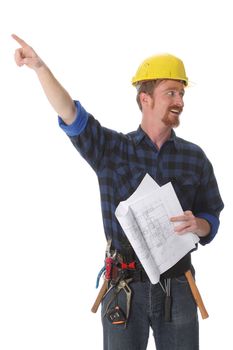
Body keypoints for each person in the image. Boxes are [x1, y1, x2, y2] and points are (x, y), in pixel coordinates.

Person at [12, 34, 224, 350]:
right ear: (146, 99)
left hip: (178, 286)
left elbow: (212, 215)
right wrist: (40, 68)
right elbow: (72, 115)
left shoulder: (194, 157)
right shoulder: (113, 150)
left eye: (181, 92)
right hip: (124, 288)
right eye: (170, 92)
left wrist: (200, 224)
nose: (179, 100)